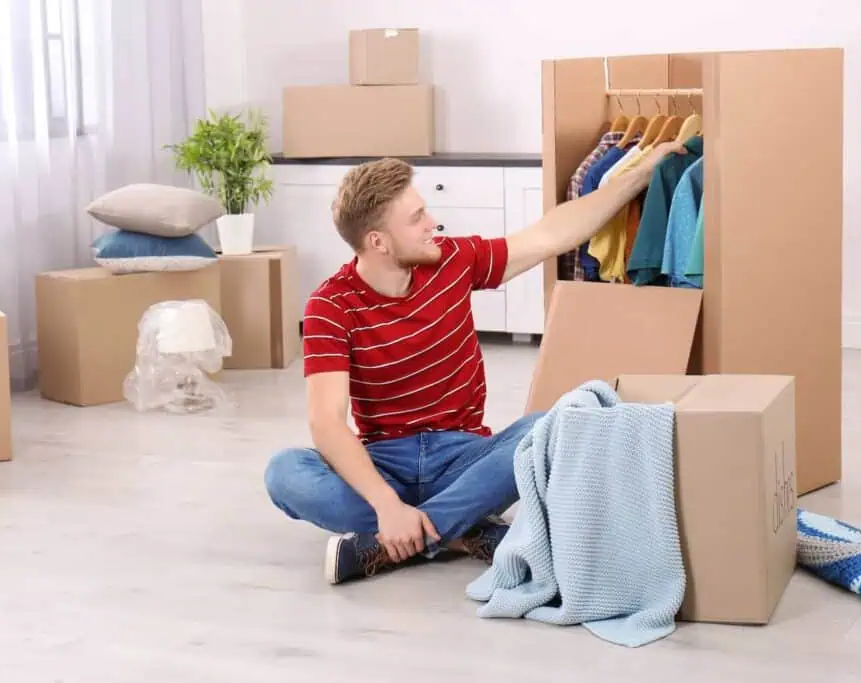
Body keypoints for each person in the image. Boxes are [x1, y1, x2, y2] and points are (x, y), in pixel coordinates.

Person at [265, 142, 685, 585]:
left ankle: (391, 544)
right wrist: (387, 505)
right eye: (416, 219)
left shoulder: (453, 260)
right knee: (285, 473)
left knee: (555, 425)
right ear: (378, 242)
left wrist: (639, 175)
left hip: (465, 457)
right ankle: (461, 529)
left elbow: (551, 235)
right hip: (384, 465)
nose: (432, 224)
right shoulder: (331, 305)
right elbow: (326, 423)